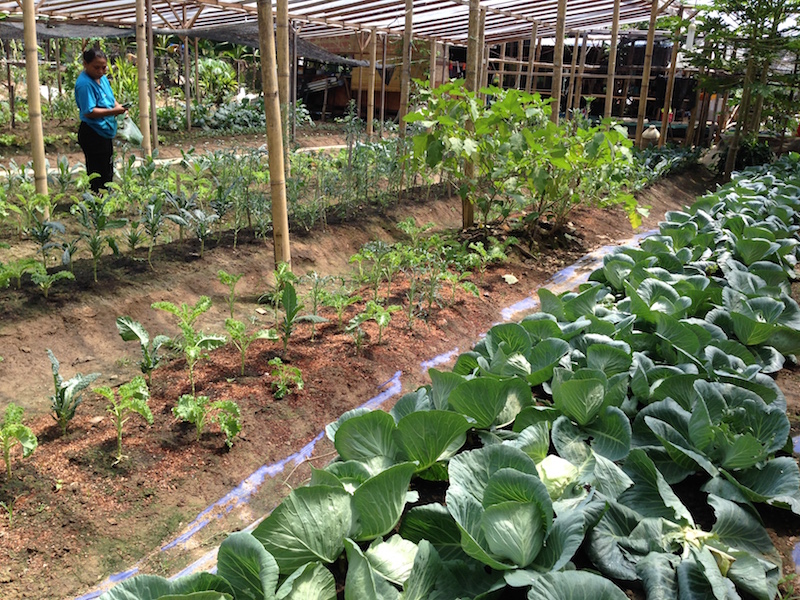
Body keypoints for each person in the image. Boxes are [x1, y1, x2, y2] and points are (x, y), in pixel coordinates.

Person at [74, 48, 127, 194]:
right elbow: (89, 111)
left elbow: (110, 98)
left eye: (104, 67)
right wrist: (114, 111)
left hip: (103, 131)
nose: (101, 71)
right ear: (85, 64)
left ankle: (106, 198)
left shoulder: (102, 78)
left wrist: (118, 107)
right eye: (96, 67)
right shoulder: (85, 84)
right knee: (97, 170)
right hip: (92, 132)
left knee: (107, 167)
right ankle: (98, 201)